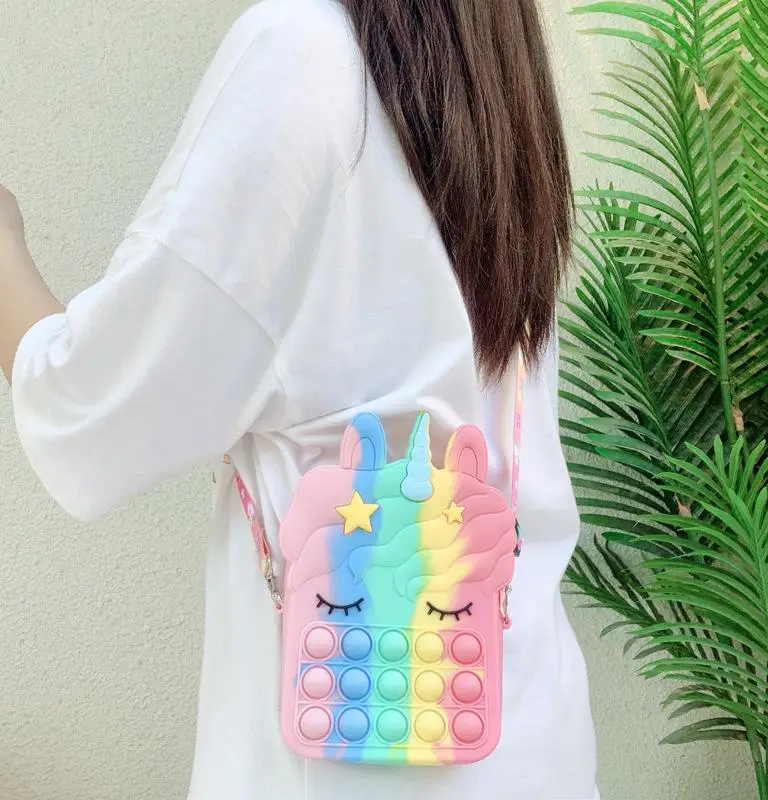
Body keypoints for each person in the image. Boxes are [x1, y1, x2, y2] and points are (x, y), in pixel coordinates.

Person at [0, 0, 598, 797]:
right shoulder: (496, 68)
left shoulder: (303, 55)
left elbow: (95, 409)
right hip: (533, 741)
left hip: (344, 762)